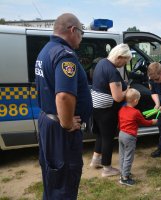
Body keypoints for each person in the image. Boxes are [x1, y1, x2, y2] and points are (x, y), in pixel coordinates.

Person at [35, 13, 92, 199]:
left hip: (49, 123)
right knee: (64, 181)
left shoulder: (47, 50)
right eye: (81, 33)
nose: (81, 39)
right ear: (72, 30)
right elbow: (64, 96)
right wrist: (67, 123)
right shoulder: (65, 55)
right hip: (61, 130)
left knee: (53, 178)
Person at [89, 43, 132, 177]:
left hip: (96, 106)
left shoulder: (102, 62)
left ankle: (95, 160)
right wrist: (128, 91)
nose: (124, 64)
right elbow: (118, 97)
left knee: (101, 134)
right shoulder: (112, 71)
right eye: (125, 61)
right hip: (106, 109)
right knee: (108, 137)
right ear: (119, 57)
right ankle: (107, 168)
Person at [118, 88, 157, 186]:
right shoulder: (136, 112)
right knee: (129, 157)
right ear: (135, 101)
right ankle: (125, 178)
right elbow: (144, 122)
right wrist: (153, 121)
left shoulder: (122, 109)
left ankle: (123, 173)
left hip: (121, 134)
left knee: (122, 155)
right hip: (129, 136)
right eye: (138, 100)